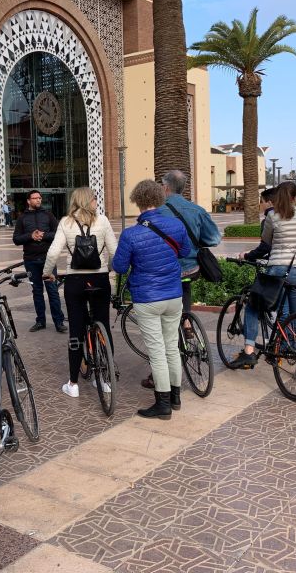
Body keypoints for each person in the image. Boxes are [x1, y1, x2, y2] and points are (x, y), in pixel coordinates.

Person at [113, 180, 190, 419]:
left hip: (147, 297)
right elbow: (185, 252)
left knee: (157, 351)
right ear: (160, 198)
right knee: (171, 347)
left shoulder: (131, 234)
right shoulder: (175, 225)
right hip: (174, 295)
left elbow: (119, 266)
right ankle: (176, 397)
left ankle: (163, 404)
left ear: (137, 201)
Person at [137, 170, 221, 390]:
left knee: (163, 330)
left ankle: (159, 376)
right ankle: (186, 322)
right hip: (192, 268)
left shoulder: (158, 213)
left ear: (165, 187)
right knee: (185, 288)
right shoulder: (197, 210)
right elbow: (213, 238)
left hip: (166, 273)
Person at [43, 187, 117, 398]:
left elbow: (53, 252)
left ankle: (73, 383)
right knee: (103, 323)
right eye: (95, 199)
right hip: (100, 279)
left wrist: (47, 273)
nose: (96, 202)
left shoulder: (65, 222)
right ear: (88, 201)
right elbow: (114, 250)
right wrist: (109, 268)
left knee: (76, 329)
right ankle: (103, 378)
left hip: (75, 281)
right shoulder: (102, 221)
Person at [234, 181, 296, 368]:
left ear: (278, 197)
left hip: (279, 269)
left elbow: (267, 244)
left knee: (254, 304)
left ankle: (248, 351)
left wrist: (247, 255)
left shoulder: (273, 216)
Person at [13, 190, 66, 333]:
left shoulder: (48, 215)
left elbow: (58, 234)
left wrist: (44, 235)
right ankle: (40, 321)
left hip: (47, 259)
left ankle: (59, 322)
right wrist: (30, 236)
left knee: (52, 290)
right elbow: (16, 239)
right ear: (28, 201)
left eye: (39, 198)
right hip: (30, 260)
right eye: (35, 198)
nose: (38, 200)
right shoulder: (22, 218)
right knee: (37, 291)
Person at [242, 186, 278, 263]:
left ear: (269, 203)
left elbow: (266, 247)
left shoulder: (269, 220)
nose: (261, 205)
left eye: (262, 202)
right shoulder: (293, 216)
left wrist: (247, 255)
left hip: (278, 264)